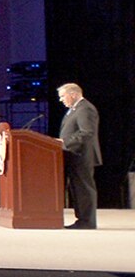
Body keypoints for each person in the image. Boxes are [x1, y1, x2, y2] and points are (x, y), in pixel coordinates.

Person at [57, 83, 101, 229]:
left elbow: (87, 132)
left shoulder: (85, 109)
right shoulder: (75, 109)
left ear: (73, 94)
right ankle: (82, 219)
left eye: (63, 96)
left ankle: (87, 222)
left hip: (82, 155)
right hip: (74, 155)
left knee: (84, 188)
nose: (61, 100)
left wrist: (65, 142)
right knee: (77, 189)